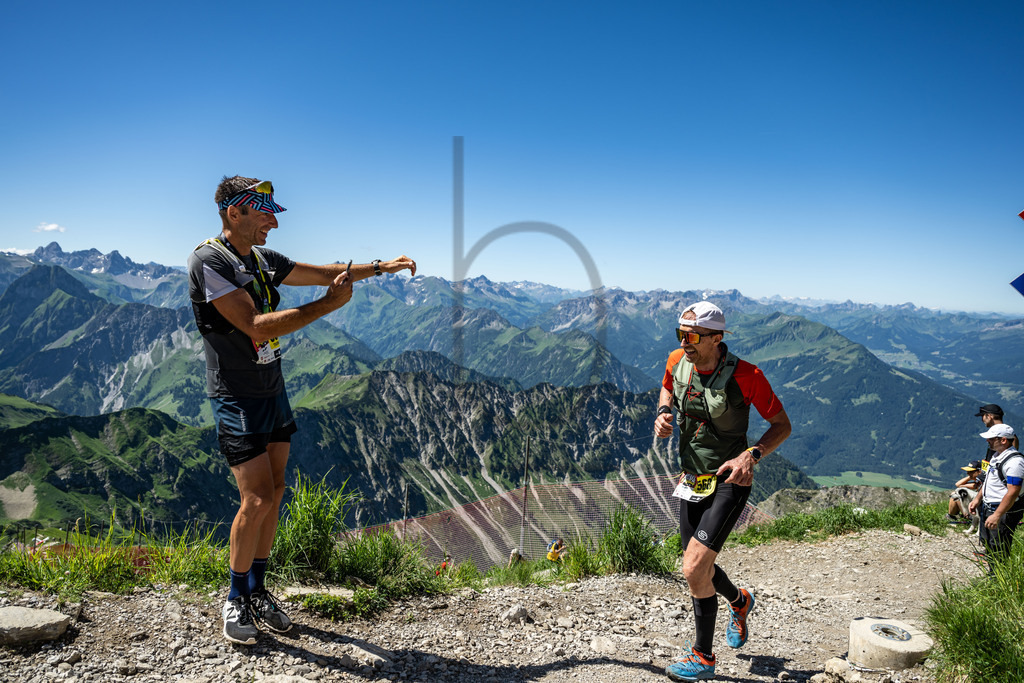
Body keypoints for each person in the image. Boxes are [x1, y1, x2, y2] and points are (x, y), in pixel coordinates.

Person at [188, 175, 416, 645]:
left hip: (272, 388)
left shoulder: (262, 259)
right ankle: (233, 599)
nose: (272, 222)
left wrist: (379, 267)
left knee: (274, 491)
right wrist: (327, 306)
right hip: (236, 395)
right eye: (264, 213)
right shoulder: (209, 260)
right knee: (254, 498)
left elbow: (323, 270)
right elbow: (253, 324)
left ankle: (258, 589)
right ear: (235, 212)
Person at [654, 302, 792, 682]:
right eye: (680, 334)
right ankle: (739, 600)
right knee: (701, 568)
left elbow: (782, 425)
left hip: (730, 481)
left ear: (717, 339)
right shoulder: (676, 359)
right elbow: (668, 388)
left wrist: (753, 454)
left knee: (694, 568)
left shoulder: (749, 376)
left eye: (693, 336)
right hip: (691, 478)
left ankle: (702, 657)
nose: (685, 343)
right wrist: (664, 413)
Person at [968, 424, 1024, 562]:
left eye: (992, 439)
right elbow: (989, 481)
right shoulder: (996, 456)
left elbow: (1013, 492)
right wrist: (977, 499)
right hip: (989, 507)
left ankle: (999, 580)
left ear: (1003, 440)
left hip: (1002, 510)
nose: (988, 441)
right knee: (990, 545)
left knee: (999, 548)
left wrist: (997, 515)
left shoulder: (1015, 462)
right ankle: (993, 576)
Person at [946, 460, 982, 526]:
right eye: (968, 471)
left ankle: (955, 517)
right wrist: (971, 477)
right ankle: (953, 516)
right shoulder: (976, 483)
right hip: (973, 509)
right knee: (956, 493)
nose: (968, 473)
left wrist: (974, 477)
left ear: (979, 472)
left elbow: (958, 485)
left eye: (970, 471)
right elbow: (958, 484)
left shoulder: (980, 484)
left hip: (975, 512)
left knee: (956, 495)